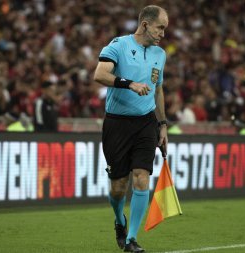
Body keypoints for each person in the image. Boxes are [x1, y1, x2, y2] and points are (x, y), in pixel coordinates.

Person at [93, 5, 169, 253]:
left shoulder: (160, 54)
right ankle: (119, 221)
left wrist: (163, 125)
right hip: (117, 123)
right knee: (117, 187)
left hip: (146, 123)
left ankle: (131, 240)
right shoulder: (118, 46)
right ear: (145, 24)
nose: (163, 34)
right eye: (160, 27)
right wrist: (130, 84)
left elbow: (158, 90)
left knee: (142, 179)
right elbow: (100, 74)